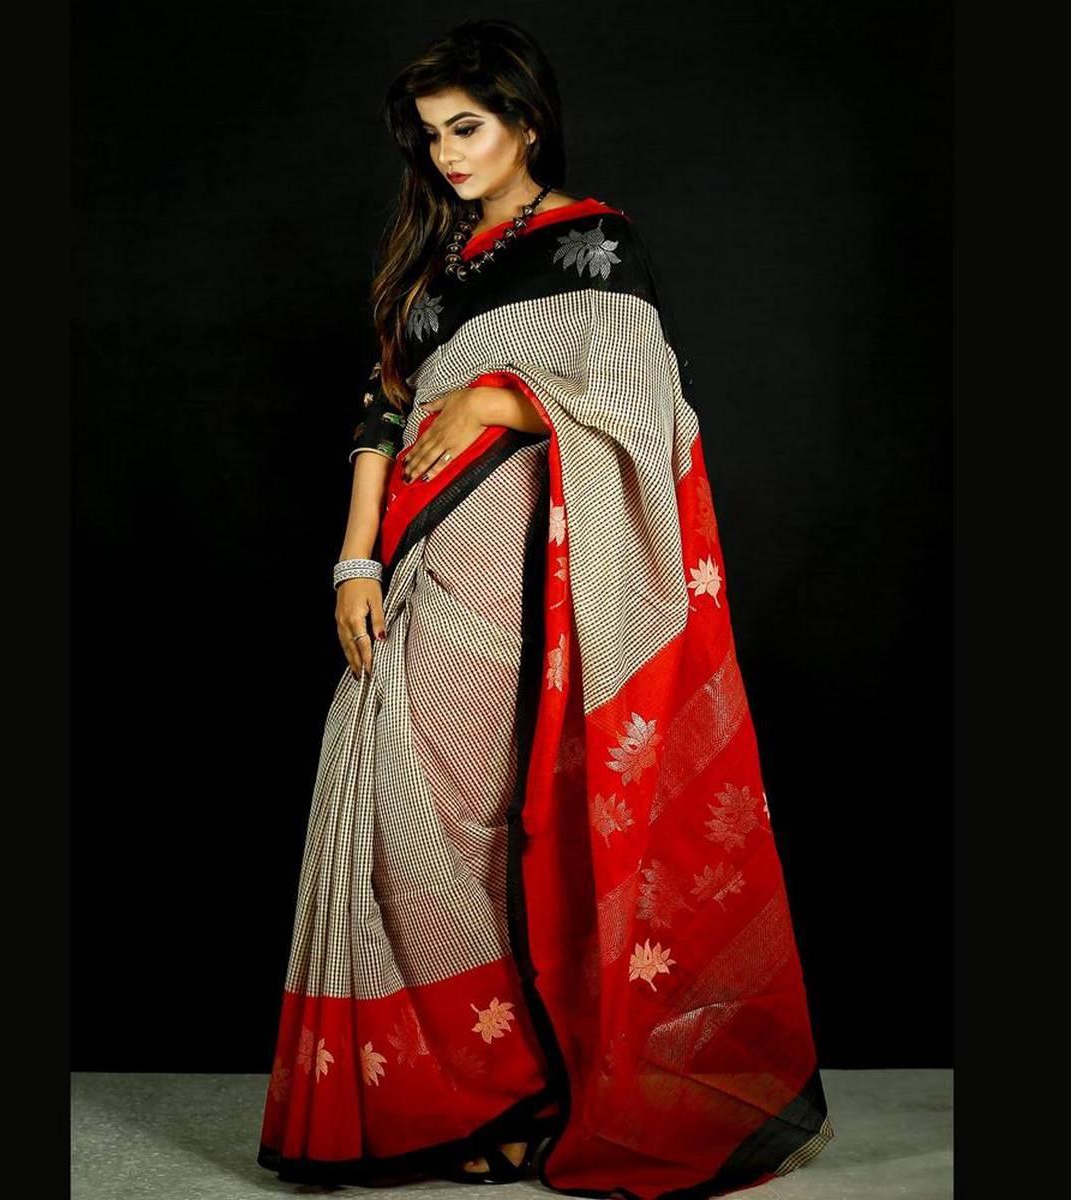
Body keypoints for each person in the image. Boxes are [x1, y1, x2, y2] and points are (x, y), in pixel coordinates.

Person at [257, 17, 833, 1198]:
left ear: (526, 122)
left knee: (487, 818)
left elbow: (643, 402)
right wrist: (353, 564)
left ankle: (518, 1092)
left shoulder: (594, 245)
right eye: (431, 137)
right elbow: (381, 414)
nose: (447, 154)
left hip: (526, 568)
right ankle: (450, 1092)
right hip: (419, 557)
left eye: (466, 128)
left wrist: (502, 401)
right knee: (398, 803)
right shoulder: (432, 264)